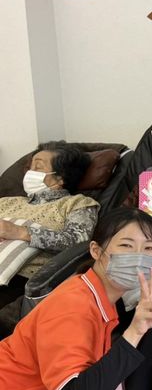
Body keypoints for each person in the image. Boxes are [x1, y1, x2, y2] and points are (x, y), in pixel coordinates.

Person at [0, 208, 152, 390]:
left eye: (148, 248)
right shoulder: (73, 307)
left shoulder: (96, 298)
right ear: (96, 251)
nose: (138, 256)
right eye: (126, 245)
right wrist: (135, 331)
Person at [0, 142, 98, 333]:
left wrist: (21, 232)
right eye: (29, 167)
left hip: (22, 280)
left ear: (59, 178)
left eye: (38, 167)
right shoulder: (6, 202)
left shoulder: (76, 204)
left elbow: (79, 242)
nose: (30, 172)